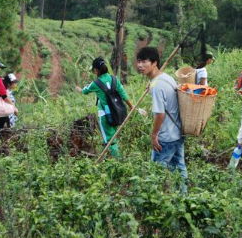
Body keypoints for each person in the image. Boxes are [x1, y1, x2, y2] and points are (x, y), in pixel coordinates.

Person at [136, 47, 187, 191]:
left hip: (165, 138)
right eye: (138, 61)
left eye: (144, 61)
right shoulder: (166, 77)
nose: (140, 65)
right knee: (180, 169)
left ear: (154, 63)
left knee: (156, 173)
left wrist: (154, 135)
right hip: (177, 133)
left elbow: (160, 114)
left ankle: (154, 202)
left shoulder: (157, 85)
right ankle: (185, 198)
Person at [76, 57, 139, 158]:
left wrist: (79, 89)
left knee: (109, 140)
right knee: (113, 136)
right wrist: (131, 106)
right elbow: (123, 94)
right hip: (117, 112)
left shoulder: (95, 84)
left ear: (96, 70)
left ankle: (118, 161)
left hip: (105, 115)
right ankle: (110, 157)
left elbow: (85, 91)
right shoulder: (114, 79)